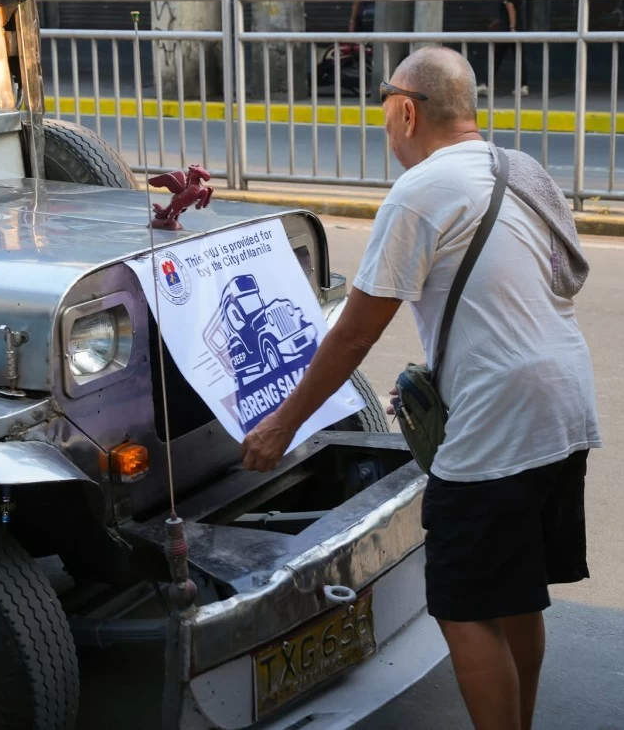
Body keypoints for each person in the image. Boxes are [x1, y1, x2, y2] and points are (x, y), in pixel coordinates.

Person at [240, 46, 602, 730]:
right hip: (566, 404)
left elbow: (353, 334)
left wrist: (280, 425)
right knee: (517, 593)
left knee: (463, 603)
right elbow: (563, 278)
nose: (386, 130)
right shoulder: (522, 169)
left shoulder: (421, 192)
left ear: (407, 109)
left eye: (385, 115)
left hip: (499, 418)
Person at [477, 0, 530, 98]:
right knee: (518, 57)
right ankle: (523, 86)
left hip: (508, 31)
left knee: (497, 57)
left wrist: (511, 27)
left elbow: (510, 9)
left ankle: (488, 85)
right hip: (514, 28)